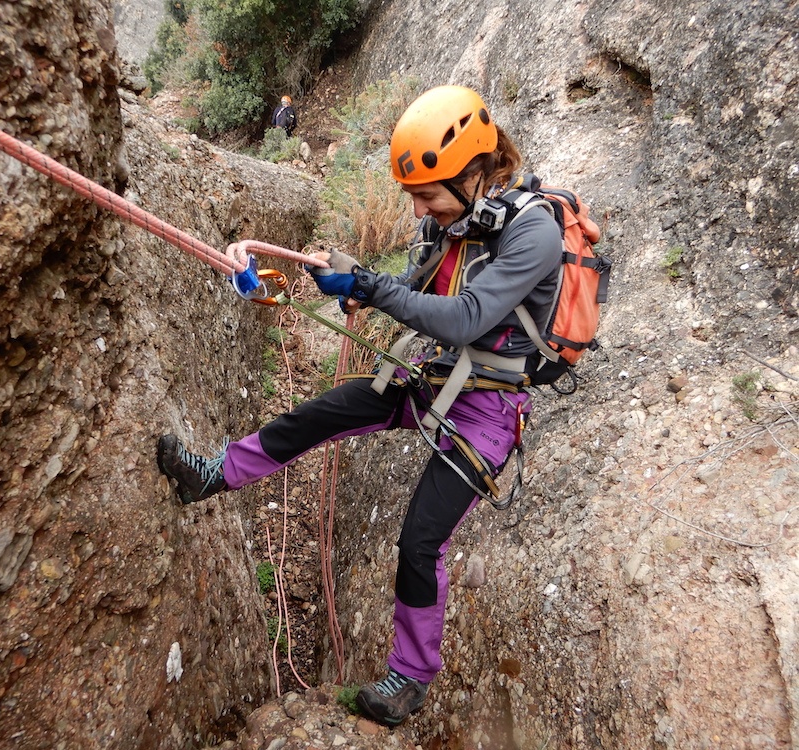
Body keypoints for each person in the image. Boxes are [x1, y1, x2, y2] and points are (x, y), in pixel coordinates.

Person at [158, 85, 563, 726]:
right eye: (414, 197)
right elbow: (410, 289)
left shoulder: (533, 230)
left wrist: (369, 287)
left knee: (420, 542)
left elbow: (464, 318)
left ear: (478, 170)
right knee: (319, 413)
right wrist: (345, 285)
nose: (420, 208)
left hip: (488, 407)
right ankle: (213, 476)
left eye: (427, 193)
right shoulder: (452, 223)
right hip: (433, 378)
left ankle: (409, 678)